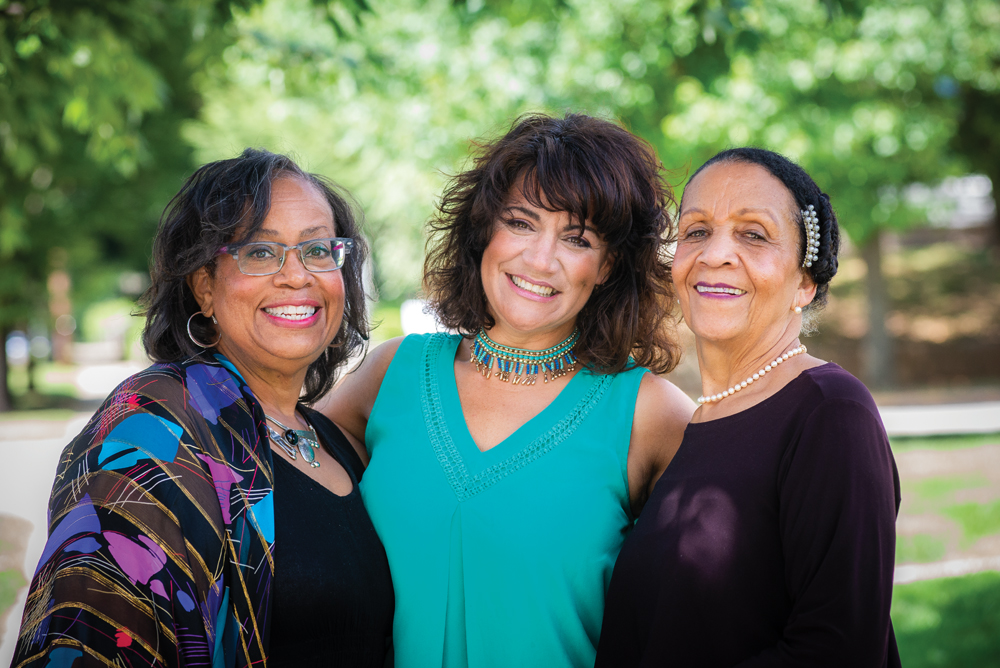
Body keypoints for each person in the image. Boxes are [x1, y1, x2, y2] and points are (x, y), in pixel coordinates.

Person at [323, 113, 695, 667]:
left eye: (577, 238)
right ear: (483, 232)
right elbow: (277, 475)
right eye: (520, 223)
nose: (540, 259)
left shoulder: (646, 413)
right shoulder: (391, 374)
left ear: (609, 265)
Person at [11, 149, 394, 667]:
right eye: (261, 252)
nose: (297, 275)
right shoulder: (150, 431)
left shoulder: (332, 440)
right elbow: (87, 640)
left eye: (317, 249)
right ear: (204, 285)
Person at [595, 147, 902, 667]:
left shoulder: (830, 413)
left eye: (753, 234)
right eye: (696, 231)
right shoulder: (693, 427)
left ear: (805, 282)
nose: (715, 254)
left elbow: (837, 650)